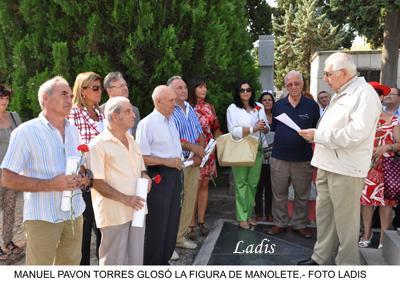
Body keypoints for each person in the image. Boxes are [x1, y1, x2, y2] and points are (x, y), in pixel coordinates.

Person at [298, 52, 381, 265]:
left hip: (346, 168)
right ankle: (321, 258)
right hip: (327, 163)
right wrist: (317, 135)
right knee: (325, 217)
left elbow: (355, 134)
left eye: (328, 74)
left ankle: (347, 266)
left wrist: (318, 135)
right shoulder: (341, 91)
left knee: (346, 223)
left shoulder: (365, 94)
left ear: (343, 73)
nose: (324, 79)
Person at [0, 76, 89, 265]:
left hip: (74, 213)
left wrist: (83, 178)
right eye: (63, 94)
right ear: (45, 99)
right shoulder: (25, 132)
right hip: (43, 217)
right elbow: (6, 178)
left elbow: (79, 165)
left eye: (71, 95)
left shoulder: (74, 130)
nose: (69, 99)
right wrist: (50, 184)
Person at [86, 96, 150, 265]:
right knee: (113, 262)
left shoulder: (132, 140)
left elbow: (142, 169)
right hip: (114, 213)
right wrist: (126, 199)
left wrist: (146, 176)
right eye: (128, 111)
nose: (133, 115)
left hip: (137, 210)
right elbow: (96, 182)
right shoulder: (97, 144)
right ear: (115, 116)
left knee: (135, 260)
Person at [266, 70, 320, 239]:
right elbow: (275, 128)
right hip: (279, 158)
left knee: (302, 195)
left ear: (302, 84)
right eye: (289, 84)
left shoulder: (312, 106)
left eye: (296, 83)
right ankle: (279, 223)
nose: (293, 87)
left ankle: (300, 224)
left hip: (302, 159)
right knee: (279, 193)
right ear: (286, 86)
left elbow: (315, 130)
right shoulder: (279, 105)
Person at [136, 85, 183, 265]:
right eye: (171, 100)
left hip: (174, 175)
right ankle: (152, 265)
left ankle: (164, 260)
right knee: (158, 223)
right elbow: (140, 157)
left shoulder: (170, 120)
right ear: (158, 101)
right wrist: (167, 162)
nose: (175, 104)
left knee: (172, 221)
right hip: (158, 176)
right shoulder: (147, 124)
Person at [69, 72, 105, 265]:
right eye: (95, 88)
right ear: (82, 91)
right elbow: (74, 145)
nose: (100, 92)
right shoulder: (74, 113)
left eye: (100, 87)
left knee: (102, 228)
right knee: (84, 230)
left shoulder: (101, 113)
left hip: (103, 177)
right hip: (85, 180)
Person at [359, 82, 400, 249]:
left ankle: (384, 237)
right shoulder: (363, 119)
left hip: (386, 168)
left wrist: (386, 147)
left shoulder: (394, 120)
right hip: (367, 166)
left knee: (386, 204)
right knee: (366, 201)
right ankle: (367, 233)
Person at [168, 76, 204, 255]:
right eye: (178, 88)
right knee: (175, 204)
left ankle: (180, 238)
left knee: (189, 202)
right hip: (179, 164)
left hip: (194, 162)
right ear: (169, 92)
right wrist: (195, 148)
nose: (183, 90)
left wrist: (201, 152)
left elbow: (199, 133)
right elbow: (173, 138)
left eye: (184, 87)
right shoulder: (169, 111)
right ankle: (168, 244)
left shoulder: (189, 107)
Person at [227, 81, 269, 229]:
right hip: (240, 148)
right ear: (238, 92)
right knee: (241, 184)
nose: (245, 92)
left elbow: (266, 127)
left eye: (248, 89)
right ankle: (241, 216)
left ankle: (249, 214)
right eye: (242, 90)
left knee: (252, 184)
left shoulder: (259, 106)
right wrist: (253, 128)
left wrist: (264, 128)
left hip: (256, 150)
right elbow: (234, 131)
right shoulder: (233, 108)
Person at [187, 77, 222, 237]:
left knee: (204, 186)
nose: (203, 90)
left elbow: (217, 128)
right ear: (193, 89)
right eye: (200, 87)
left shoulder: (210, 107)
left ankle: (201, 221)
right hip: (193, 152)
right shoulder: (187, 107)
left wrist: (214, 143)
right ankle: (190, 224)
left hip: (208, 152)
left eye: (205, 87)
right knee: (194, 186)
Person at [0, 84, 22, 261]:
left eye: (6, 98)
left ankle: (7, 241)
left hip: (12, 172)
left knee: (9, 209)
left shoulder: (14, 117)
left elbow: (23, 140)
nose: (4, 102)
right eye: (1, 98)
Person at [254, 90, 275, 222]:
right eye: (264, 100)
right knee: (258, 186)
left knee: (271, 187)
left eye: (269, 100)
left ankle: (269, 213)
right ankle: (258, 213)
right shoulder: (257, 116)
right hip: (259, 155)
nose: (267, 102)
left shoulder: (278, 116)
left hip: (274, 157)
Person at [101, 71, 141, 137]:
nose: (125, 88)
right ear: (109, 90)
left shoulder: (134, 110)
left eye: (125, 85)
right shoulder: (100, 111)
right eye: (121, 86)